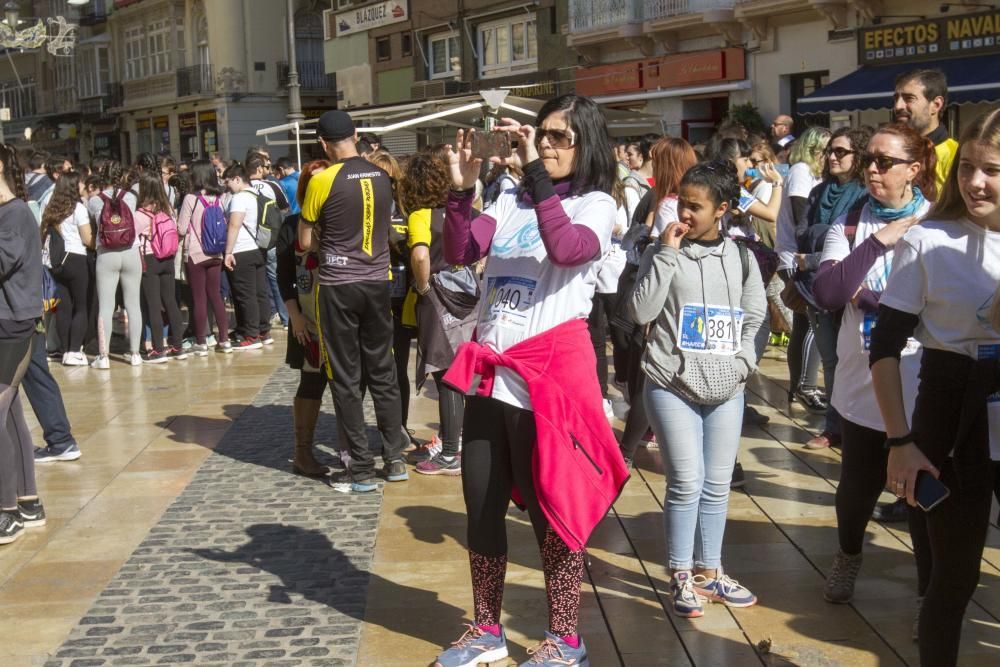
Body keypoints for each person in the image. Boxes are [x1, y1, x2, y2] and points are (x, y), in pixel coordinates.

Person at [431, 95, 629, 667]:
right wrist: (462, 191)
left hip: (549, 380)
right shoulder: (512, 200)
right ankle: (487, 630)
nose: (545, 144)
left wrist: (537, 177)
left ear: (586, 143)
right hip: (493, 377)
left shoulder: (596, 204)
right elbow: (461, 249)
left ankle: (566, 638)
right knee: (481, 503)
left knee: (553, 512)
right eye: (542, 134)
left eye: (559, 137)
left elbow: (568, 251)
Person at [869, 109, 1000, 666]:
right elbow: (884, 347)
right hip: (949, 410)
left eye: (992, 169)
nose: (975, 182)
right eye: (967, 167)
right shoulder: (928, 240)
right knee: (953, 578)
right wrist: (900, 441)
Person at [628, 160, 765, 618]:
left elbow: (755, 315)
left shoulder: (742, 257)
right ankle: (680, 573)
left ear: (722, 209)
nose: (683, 213)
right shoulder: (661, 250)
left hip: (727, 387)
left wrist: (744, 363)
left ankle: (711, 570)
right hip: (671, 384)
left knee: (718, 483)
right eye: (681, 202)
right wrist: (665, 254)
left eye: (695, 206)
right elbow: (642, 312)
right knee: (686, 481)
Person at [812, 124, 935, 614]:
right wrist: (882, 238)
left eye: (886, 162)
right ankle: (848, 556)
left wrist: (882, 301)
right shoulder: (849, 222)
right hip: (862, 386)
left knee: (923, 495)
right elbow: (829, 293)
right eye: (871, 161)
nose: (874, 169)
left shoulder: (938, 221)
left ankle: (931, 597)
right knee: (858, 486)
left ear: (914, 169)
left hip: (922, 383)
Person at [298, 110, 409, 492]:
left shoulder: (321, 179)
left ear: (323, 144)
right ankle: (394, 458)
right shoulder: (383, 174)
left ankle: (360, 468)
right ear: (357, 135)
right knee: (383, 371)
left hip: (338, 283)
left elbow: (304, 241)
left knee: (345, 377)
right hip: (377, 282)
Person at [616, 137, 698, 470]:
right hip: (677, 299)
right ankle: (649, 434)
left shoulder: (670, 205)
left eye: (656, 160)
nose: (651, 166)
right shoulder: (675, 202)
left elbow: (661, 260)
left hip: (658, 300)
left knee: (645, 376)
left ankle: (624, 450)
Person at [794, 127, 874, 450]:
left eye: (841, 152)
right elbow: (804, 232)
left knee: (854, 357)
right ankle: (833, 427)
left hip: (849, 287)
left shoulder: (865, 196)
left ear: (858, 157)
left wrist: (816, 253)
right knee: (829, 359)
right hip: (816, 287)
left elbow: (854, 246)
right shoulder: (818, 192)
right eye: (830, 151)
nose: (832, 157)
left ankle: (857, 424)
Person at [401, 150, 479, 476]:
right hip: (468, 298)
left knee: (445, 376)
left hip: (437, 302)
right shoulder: (468, 212)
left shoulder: (420, 216)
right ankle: (462, 441)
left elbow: (420, 256)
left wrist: (422, 287)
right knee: (466, 374)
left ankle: (450, 453)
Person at [276, 158, 344, 478]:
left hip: (342, 316)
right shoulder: (291, 225)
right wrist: (295, 318)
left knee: (347, 384)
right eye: (313, 181)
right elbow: (284, 277)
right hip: (307, 320)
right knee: (312, 382)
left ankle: (350, 452)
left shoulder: (343, 220)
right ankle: (302, 453)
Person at [0, 143, 46, 545]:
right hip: (9, 321)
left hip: (12, 325)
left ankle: (6, 511)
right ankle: (27, 500)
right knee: (11, 409)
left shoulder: (13, 214)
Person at [775, 127, 831, 414]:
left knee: (801, 324)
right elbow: (801, 219)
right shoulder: (800, 171)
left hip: (803, 255)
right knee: (811, 320)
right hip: (794, 255)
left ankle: (797, 386)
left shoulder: (814, 174)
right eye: (826, 150)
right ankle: (805, 386)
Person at [366, 149, 417, 447]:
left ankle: (400, 426)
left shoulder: (406, 209)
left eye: (389, 178)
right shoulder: (361, 209)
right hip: (369, 298)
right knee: (369, 369)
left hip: (399, 302)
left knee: (398, 369)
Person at [91, 160, 143, 368]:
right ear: (121, 176)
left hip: (106, 254)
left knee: (106, 306)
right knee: (133, 304)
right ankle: (135, 353)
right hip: (131, 251)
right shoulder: (131, 197)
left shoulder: (94, 201)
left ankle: (103, 357)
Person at [177, 160, 230, 355]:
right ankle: (224, 339)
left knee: (199, 298)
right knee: (215, 296)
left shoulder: (191, 198)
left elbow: (181, 228)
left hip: (196, 253)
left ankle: (201, 342)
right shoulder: (220, 197)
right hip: (216, 252)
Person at [40, 171, 93, 366]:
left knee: (62, 308)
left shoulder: (49, 208)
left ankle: (64, 351)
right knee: (81, 306)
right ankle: (74, 350)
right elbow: (87, 238)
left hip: (56, 262)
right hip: (76, 259)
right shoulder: (78, 208)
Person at [135, 172, 186, 363]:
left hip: (150, 259)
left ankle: (158, 349)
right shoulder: (168, 210)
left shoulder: (140, 214)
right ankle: (178, 346)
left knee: (154, 305)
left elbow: (133, 238)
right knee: (171, 302)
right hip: (168, 259)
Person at [223, 162, 270, 350]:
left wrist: (228, 252)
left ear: (237, 179)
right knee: (260, 292)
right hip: (258, 249)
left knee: (245, 294)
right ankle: (263, 330)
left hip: (241, 249)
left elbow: (234, 225)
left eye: (228, 181)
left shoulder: (239, 198)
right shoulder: (256, 194)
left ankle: (251, 335)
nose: (226, 185)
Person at [893, 68, 958, 192]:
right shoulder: (893, 152)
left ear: (936, 105)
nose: (898, 106)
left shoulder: (955, 156)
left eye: (909, 98)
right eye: (896, 98)